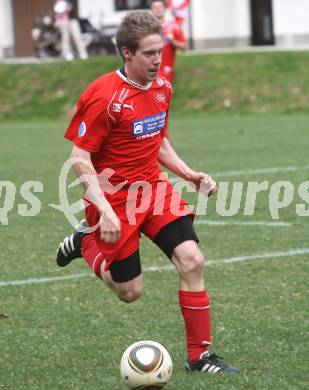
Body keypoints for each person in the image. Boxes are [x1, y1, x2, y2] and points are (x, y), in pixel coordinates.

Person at [56, 10, 239, 374]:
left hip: (153, 190)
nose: (158, 60)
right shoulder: (103, 96)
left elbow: (157, 139)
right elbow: (79, 157)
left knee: (193, 260)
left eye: (160, 51)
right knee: (130, 293)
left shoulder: (162, 89)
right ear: (127, 53)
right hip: (114, 199)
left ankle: (199, 356)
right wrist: (104, 210)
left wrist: (189, 175)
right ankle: (85, 243)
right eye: (149, 54)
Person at [150, 0, 186, 83]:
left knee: (164, 95)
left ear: (165, 9)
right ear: (151, 10)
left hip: (166, 72)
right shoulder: (146, 28)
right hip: (148, 71)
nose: (158, 9)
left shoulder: (174, 26)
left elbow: (183, 47)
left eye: (160, 7)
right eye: (155, 7)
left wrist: (172, 41)